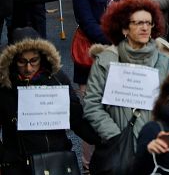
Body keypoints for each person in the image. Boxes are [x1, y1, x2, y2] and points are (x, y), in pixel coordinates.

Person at [84, 0, 169, 168]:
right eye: (138, 23)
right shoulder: (106, 61)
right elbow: (92, 105)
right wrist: (115, 137)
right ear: (124, 28)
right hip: (117, 148)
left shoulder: (165, 63)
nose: (145, 27)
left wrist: (161, 136)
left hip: (155, 149)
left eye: (149, 23)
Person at [0, 27, 97, 174]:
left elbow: (76, 119)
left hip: (56, 160)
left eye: (34, 61)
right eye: (22, 62)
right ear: (12, 60)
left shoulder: (57, 79)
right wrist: (4, 157)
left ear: (42, 57)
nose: (28, 68)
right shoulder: (4, 86)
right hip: (18, 164)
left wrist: (103, 139)